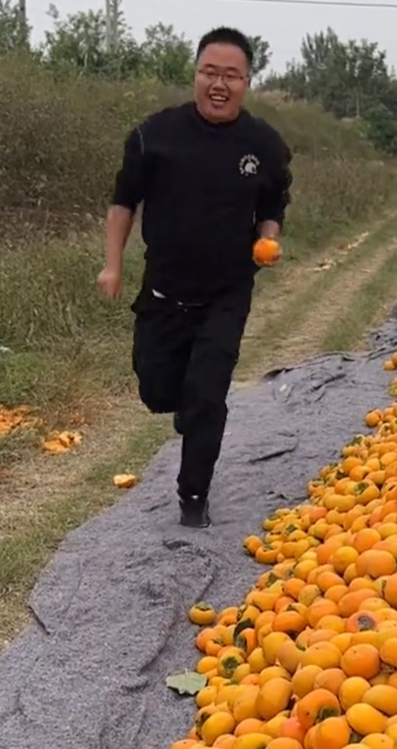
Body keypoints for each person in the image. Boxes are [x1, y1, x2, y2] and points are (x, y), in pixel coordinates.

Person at [97, 27, 293, 529]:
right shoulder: (154, 135)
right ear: (196, 74)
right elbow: (124, 204)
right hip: (163, 291)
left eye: (231, 75)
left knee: (208, 395)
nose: (219, 84)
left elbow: (273, 205)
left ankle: (193, 498)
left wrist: (267, 239)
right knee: (158, 391)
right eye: (210, 72)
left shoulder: (264, 145)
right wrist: (113, 264)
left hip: (227, 291)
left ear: (247, 81)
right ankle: (184, 404)